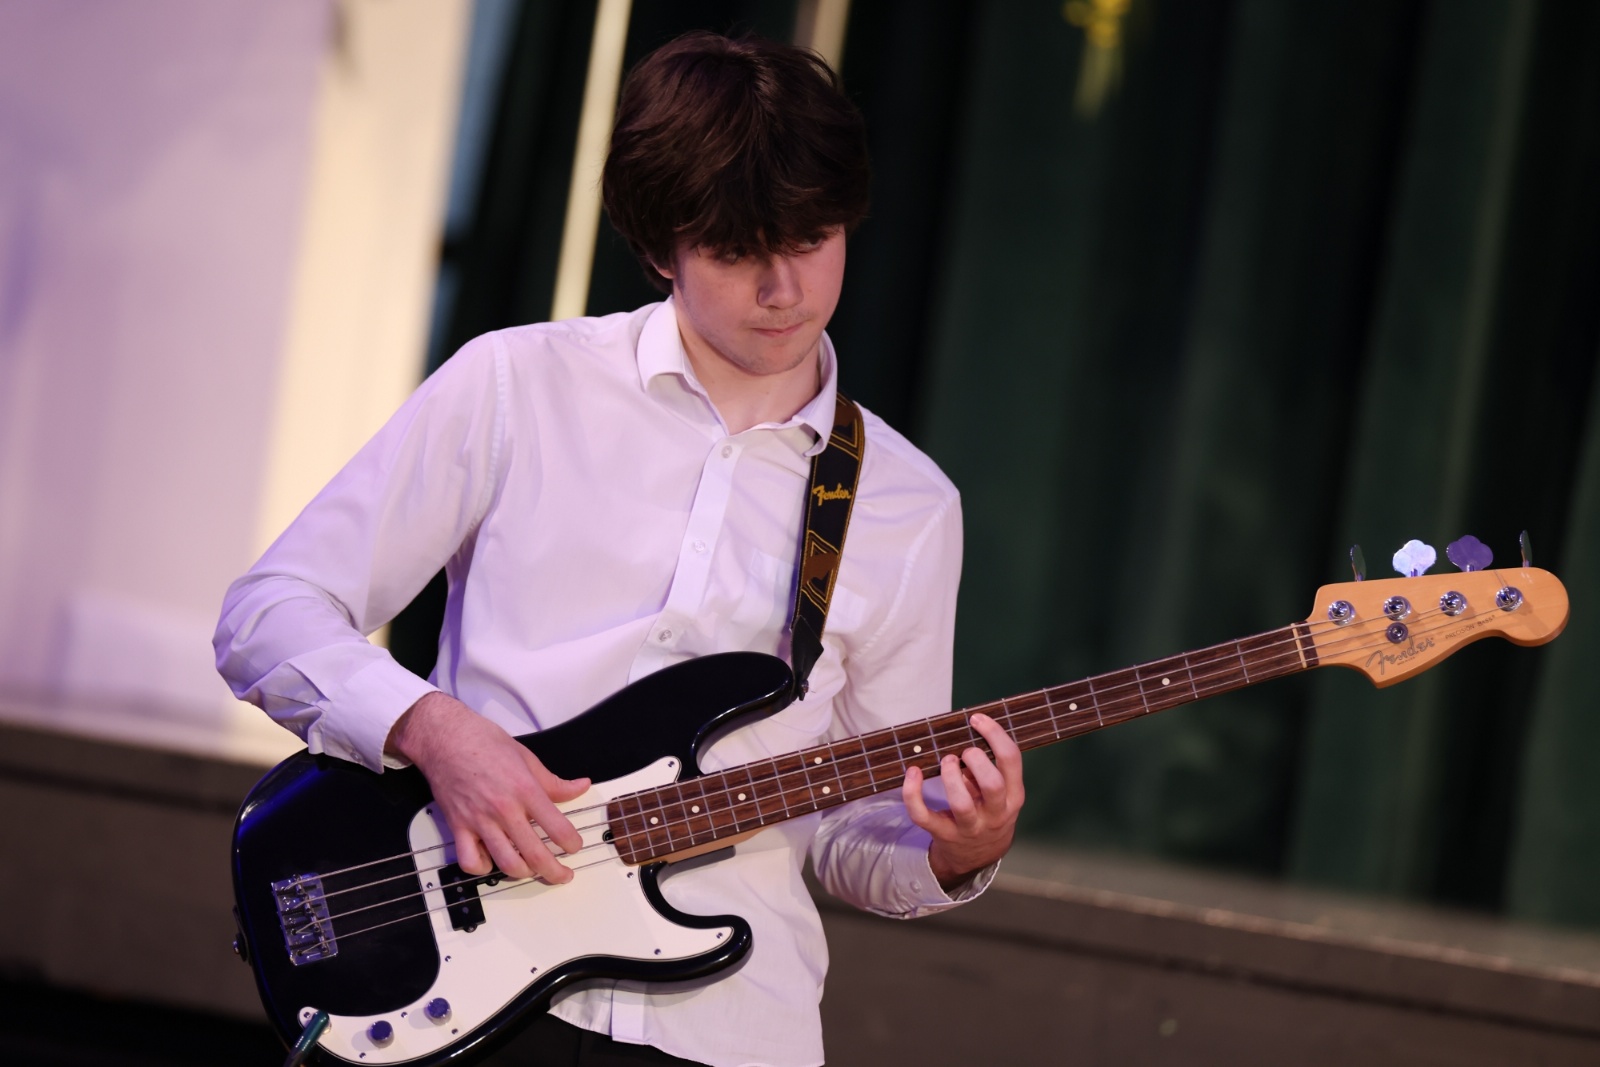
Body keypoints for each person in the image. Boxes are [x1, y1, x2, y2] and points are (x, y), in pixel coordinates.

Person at [215, 31, 1024, 1067]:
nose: (784, 287)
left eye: (813, 238)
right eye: (736, 250)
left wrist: (958, 848)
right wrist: (434, 729)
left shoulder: (908, 505)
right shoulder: (516, 385)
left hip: (728, 1031)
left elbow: (847, 830)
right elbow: (267, 612)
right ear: (659, 246)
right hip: (466, 999)